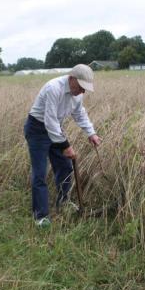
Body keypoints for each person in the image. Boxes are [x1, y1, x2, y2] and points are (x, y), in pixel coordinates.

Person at [24, 64, 101, 227]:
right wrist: (66, 146)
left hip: (55, 129)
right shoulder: (54, 88)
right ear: (71, 78)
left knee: (65, 167)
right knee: (40, 173)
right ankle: (41, 217)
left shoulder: (77, 94)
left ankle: (63, 202)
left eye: (85, 89)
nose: (82, 92)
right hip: (37, 129)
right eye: (81, 87)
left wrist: (91, 133)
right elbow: (49, 120)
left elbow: (80, 114)